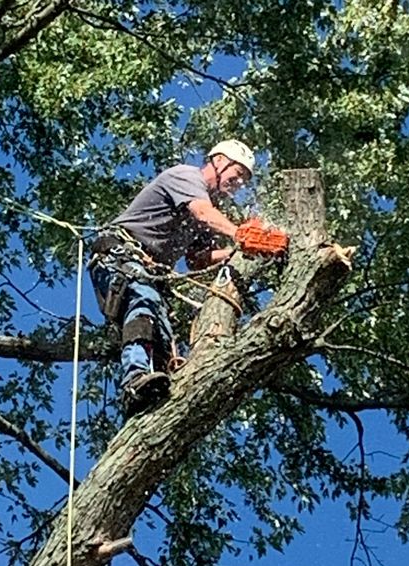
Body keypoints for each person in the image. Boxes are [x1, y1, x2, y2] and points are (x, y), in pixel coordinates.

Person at [89, 139, 288, 417]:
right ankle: (134, 380)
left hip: (148, 273)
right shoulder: (186, 177)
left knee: (164, 340)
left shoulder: (207, 206)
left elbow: (198, 259)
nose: (239, 183)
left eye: (244, 179)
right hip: (121, 256)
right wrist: (241, 234)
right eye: (238, 173)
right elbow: (203, 214)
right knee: (143, 303)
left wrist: (237, 250)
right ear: (219, 161)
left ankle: (148, 400)